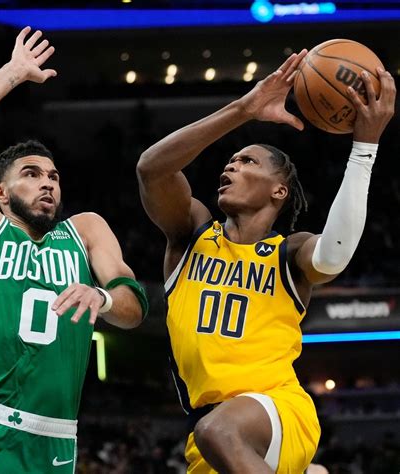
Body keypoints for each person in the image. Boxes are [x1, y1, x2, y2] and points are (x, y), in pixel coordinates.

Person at [136, 50, 395, 473]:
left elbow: (335, 253)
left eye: (247, 161)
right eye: (231, 161)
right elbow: (151, 170)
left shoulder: (289, 253)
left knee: (220, 431)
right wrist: (243, 110)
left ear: (279, 191)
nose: (231, 165)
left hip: (277, 411)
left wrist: (364, 148)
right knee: (215, 432)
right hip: (208, 434)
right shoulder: (191, 236)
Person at [0, 27, 148, 473]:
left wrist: (101, 297)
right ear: (1, 193)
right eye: (31, 174)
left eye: (54, 176)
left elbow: (134, 307)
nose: (48, 182)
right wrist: (13, 73)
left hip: (51, 440)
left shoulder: (85, 230)